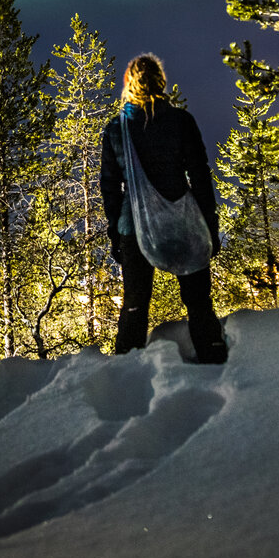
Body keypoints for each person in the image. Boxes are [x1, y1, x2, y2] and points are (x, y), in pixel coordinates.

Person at [100, 52, 228, 363]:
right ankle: (213, 360)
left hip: (136, 227)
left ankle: (127, 375)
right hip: (182, 222)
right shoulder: (182, 121)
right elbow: (200, 175)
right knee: (198, 302)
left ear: (129, 84)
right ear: (161, 82)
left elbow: (110, 187)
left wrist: (116, 233)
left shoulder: (116, 129)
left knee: (134, 304)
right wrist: (210, 227)